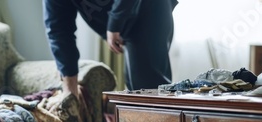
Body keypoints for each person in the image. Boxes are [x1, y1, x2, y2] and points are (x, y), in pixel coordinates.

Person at [43, 0, 178, 97]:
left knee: (150, 93)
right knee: (137, 93)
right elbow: (59, 31)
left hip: (149, 8)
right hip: (126, 26)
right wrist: (70, 89)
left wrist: (115, 23)